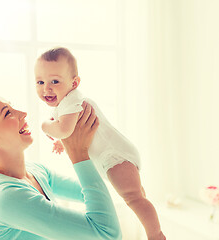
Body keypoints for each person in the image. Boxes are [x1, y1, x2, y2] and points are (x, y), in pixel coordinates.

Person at [34, 47, 166, 240]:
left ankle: (156, 235)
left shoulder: (72, 100)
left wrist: (45, 126)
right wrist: (62, 142)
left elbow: (65, 129)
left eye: (55, 81)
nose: (47, 88)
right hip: (113, 156)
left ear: (74, 83)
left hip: (115, 157)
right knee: (138, 197)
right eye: (40, 82)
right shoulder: (65, 104)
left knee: (134, 198)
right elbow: (72, 130)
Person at [0, 94, 122, 240]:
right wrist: (78, 153)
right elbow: (108, 234)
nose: (23, 114)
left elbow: (91, 195)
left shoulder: (35, 171)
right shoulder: (6, 197)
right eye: (7, 113)